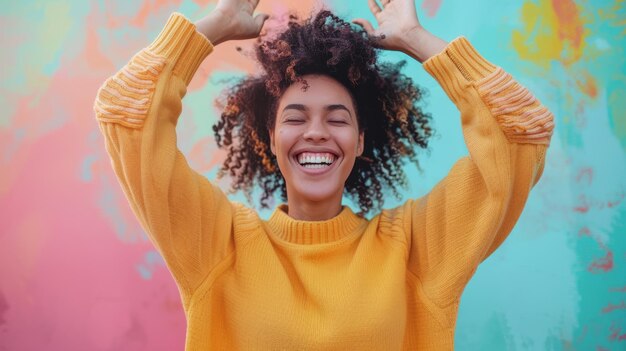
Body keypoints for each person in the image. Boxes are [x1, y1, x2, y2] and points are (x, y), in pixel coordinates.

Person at [93, 0, 554, 349]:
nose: (316, 133)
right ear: (270, 139)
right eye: (295, 118)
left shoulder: (415, 249)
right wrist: (214, 25)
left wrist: (416, 38)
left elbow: (522, 133)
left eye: (337, 119)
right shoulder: (218, 244)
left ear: (360, 141)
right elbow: (123, 114)